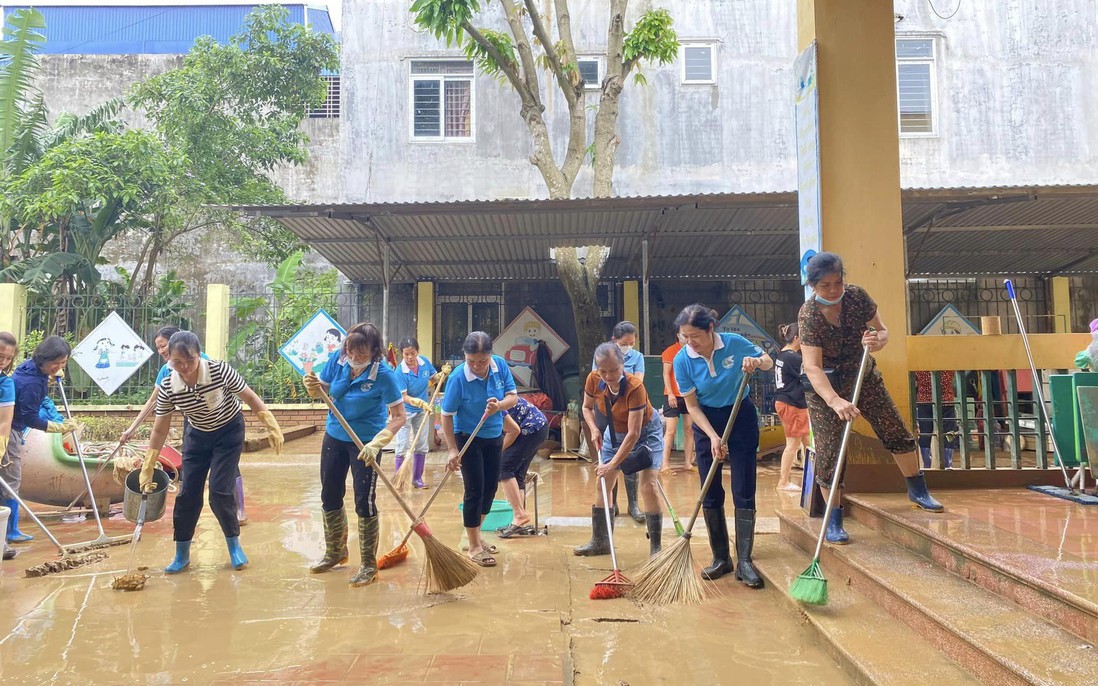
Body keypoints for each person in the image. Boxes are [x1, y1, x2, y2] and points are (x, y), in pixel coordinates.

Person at [798, 252, 943, 546]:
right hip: (826, 387)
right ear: (813, 286)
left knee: (895, 430)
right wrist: (835, 401)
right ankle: (834, 517)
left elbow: (882, 330)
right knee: (831, 451)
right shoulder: (809, 315)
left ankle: (918, 489)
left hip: (864, 375)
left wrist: (877, 340)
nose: (834, 290)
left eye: (838, 282)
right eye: (825, 286)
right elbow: (812, 366)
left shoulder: (857, 297)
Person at [138, 331, 284, 574]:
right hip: (196, 436)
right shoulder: (168, 385)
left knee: (219, 491)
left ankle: (234, 546)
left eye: (190, 361)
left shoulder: (219, 370)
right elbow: (160, 427)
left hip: (228, 432)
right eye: (177, 362)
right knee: (188, 495)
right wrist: (148, 464)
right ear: (169, 361)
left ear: (199, 355)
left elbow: (248, 396)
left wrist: (271, 424)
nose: (184, 368)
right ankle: (181, 554)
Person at [674, 305, 772, 588]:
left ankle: (744, 560)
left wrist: (756, 363)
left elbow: (767, 360)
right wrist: (713, 437)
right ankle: (721, 558)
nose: (690, 342)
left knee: (743, 485)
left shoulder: (735, 343)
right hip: (706, 419)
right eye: (684, 336)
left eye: (695, 336)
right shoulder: (683, 361)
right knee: (709, 487)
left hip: (739, 413)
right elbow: (691, 405)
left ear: (710, 329)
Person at [303, 323, 406, 586]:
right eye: (351, 351)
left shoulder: (384, 375)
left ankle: (369, 565)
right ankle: (335, 552)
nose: (355, 358)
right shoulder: (337, 362)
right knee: (329, 494)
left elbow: (399, 417)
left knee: (365, 501)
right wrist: (313, 387)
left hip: (365, 443)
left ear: (374, 352)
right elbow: (323, 391)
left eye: (362, 353)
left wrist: (379, 442)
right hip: (334, 436)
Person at [120, 326, 251, 523]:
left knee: (225, 472)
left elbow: (243, 392)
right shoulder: (167, 371)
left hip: (225, 424)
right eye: (159, 348)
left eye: (163, 346)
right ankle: (188, 519)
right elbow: (154, 402)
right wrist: (132, 429)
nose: (162, 351)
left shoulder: (203, 362)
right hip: (195, 424)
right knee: (191, 477)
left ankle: (237, 509)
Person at [575, 343, 665, 558]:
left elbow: (633, 434)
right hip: (612, 430)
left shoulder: (635, 387)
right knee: (603, 482)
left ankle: (656, 548)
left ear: (623, 366)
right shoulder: (593, 379)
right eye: (602, 370)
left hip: (644, 432)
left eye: (614, 370)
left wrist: (612, 464)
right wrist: (595, 429)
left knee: (648, 485)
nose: (608, 375)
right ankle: (600, 541)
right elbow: (586, 407)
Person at [442, 331, 518, 567]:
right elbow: (446, 415)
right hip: (467, 436)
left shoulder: (500, 367)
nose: (477, 366)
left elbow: (512, 397)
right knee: (474, 490)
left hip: (493, 433)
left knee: (490, 489)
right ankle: (474, 546)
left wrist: (499, 406)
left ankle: (473, 534)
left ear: (490, 356)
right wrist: (452, 450)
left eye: (482, 361)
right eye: (471, 361)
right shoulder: (457, 378)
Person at [5, 336, 75, 548]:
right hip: (9, 431)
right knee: (11, 481)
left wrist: (51, 374)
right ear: (43, 359)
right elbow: (29, 418)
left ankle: (9, 529)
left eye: (64, 362)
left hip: (9, 426)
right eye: (56, 362)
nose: (60, 367)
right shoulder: (32, 382)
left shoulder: (29, 367)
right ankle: (10, 530)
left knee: (9, 481)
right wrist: (57, 427)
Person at [591, 321, 645, 523]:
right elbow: (597, 381)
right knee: (608, 464)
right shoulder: (603, 355)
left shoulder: (637, 357)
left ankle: (634, 505)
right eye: (624, 343)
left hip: (629, 411)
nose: (628, 346)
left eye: (632, 342)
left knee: (629, 457)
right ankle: (610, 506)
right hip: (606, 411)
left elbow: (637, 380)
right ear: (614, 340)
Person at [393, 337, 448, 489]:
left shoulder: (424, 362)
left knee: (422, 444)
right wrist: (416, 401)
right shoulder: (400, 372)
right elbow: (403, 397)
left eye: (413, 353)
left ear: (417, 351)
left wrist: (442, 374)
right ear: (402, 354)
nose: (410, 358)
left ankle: (417, 479)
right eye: (406, 354)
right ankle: (400, 479)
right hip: (404, 412)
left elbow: (433, 379)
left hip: (422, 411)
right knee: (403, 445)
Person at [496, 395, 549, 538]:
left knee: (504, 468)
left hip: (531, 429)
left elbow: (513, 431)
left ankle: (520, 514)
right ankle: (519, 521)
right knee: (517, 473)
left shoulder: (491, 404)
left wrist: (498, 452)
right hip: (537, 427)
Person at [774, 323, 810, 491]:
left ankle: (813, 476)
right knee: (793, 444)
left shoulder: (782, 355)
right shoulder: (794, 358)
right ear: (796, 338)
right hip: (792, 404)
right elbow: (810, 374)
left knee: (807, 442)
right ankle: (783, 482)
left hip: (788, 402)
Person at [661, 329, 695, 473]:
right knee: (670, 431)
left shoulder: (693, 351)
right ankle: (664, 464)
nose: (686, 338)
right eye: (683, 334)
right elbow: (666, 374)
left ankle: (688, 463)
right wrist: (670, 393)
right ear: (678, 335)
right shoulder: (670, 351)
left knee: (689, 429)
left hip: (689, 395)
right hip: (673, 395)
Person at [0, 332, 20, 560]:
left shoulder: (5, 384)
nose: (3, 362)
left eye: (8, 359)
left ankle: (2, 542)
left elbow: (5, 421)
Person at [914, 370, 959, 469]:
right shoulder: (947, 365)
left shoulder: (919, 365)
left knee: (925, 434)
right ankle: (947, 464)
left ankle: (927, 464)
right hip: (946, 401)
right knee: (949, 433)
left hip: (924, 402)